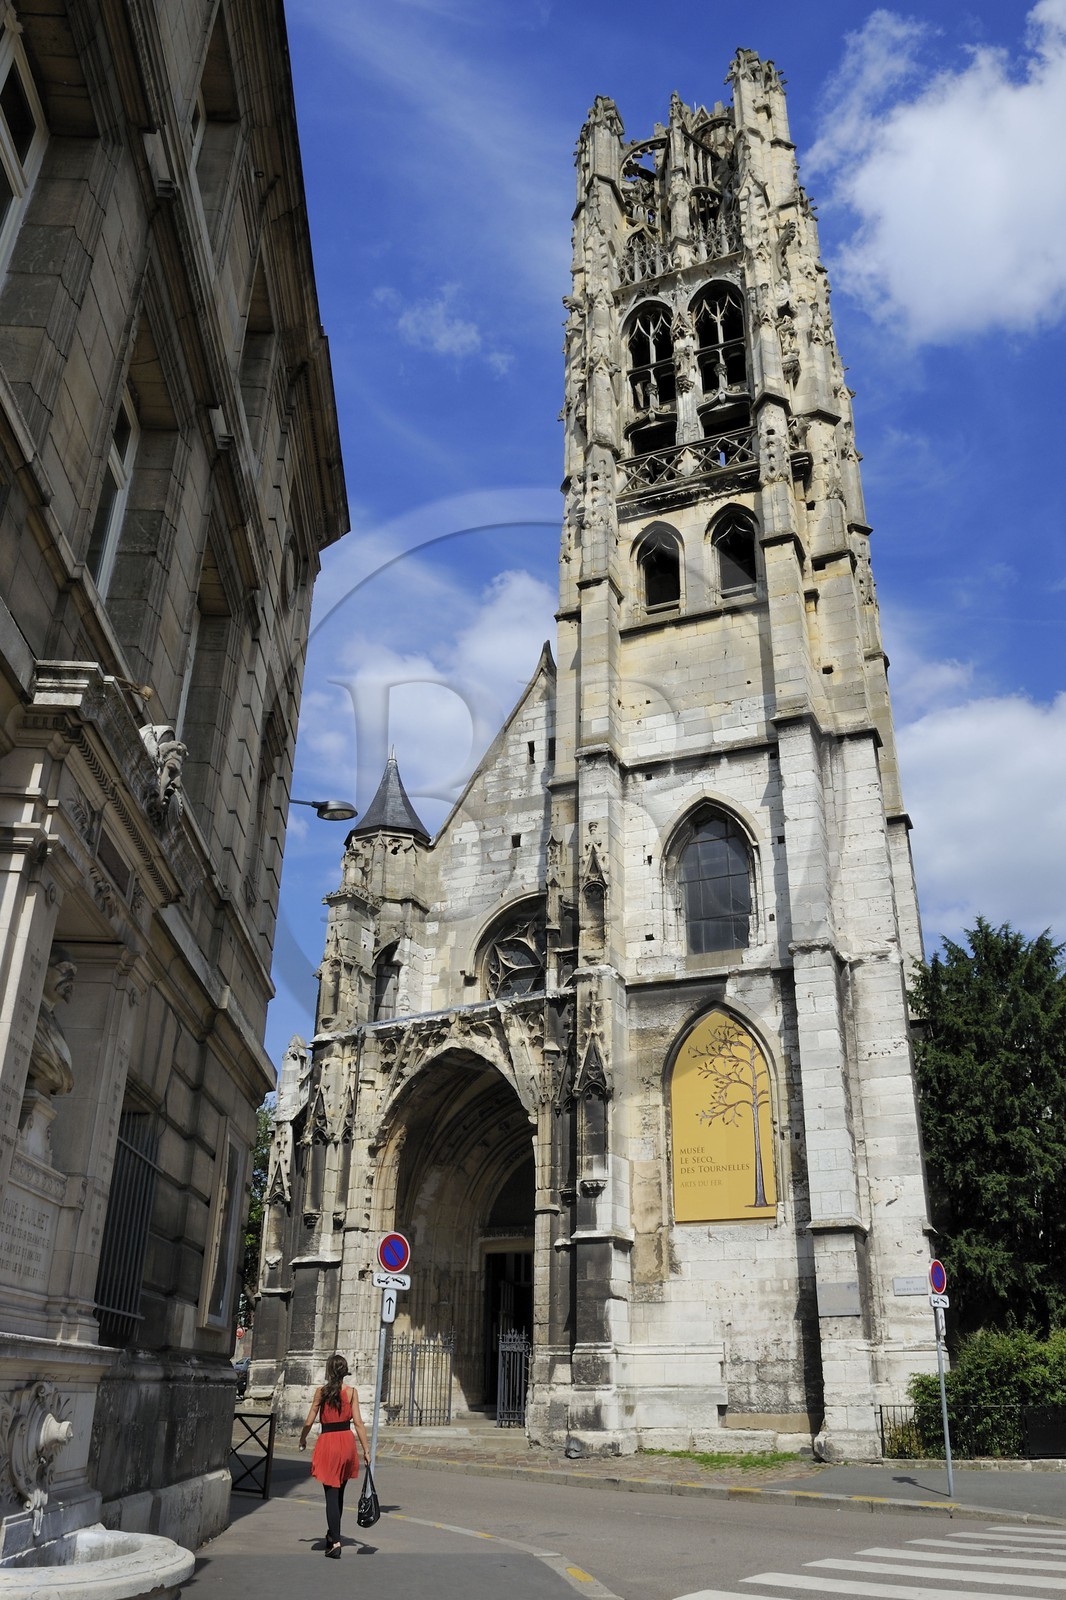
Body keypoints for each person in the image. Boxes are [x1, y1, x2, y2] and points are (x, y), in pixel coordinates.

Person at [299, 1354, 370, 1557]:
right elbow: (358, 1423)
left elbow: (310, 1419)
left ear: (329, 1371)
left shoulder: (321, 1392)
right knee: (339, 1492)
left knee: (331, 1493)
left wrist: (303, 1438)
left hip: (329, 1442)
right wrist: (365, 1449)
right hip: (346, 1443)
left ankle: (335, 1543)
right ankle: (332, 1535)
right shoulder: (351, 1393)